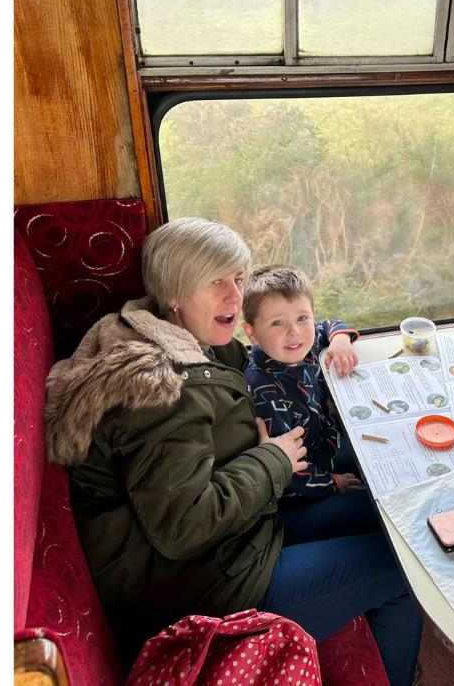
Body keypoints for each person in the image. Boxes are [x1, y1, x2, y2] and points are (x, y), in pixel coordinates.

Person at [44, 218, 421, 684]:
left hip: (242, 532)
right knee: (405, 568)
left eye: (238, 279)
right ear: (175, 292)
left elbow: (253, 359)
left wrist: (327, 339)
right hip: (207, 588)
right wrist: (272, 460)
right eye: (215, 282)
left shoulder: (180, 336)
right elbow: (182, 528)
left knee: (387, 510)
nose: (234, 296)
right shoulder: (157, 393)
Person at [240, 265, 370, 507]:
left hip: (326, 439)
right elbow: (289, 472)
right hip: (303, 484)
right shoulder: (265, 395)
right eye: (277, 323)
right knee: (365, 501)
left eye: (302, 318)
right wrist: (334, 483)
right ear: (252, 333)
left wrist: (340, 340)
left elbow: (327, 325)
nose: (294, 332)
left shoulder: (303, 343)